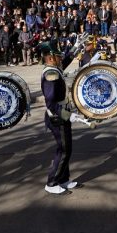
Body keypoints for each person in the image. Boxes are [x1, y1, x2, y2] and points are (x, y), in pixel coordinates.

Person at [39, 39, 81, 195]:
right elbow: (51, 103)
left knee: (66, 149)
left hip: (62, 115)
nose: (61, 58)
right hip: (58, 117)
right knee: (63, 150)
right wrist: (68, 115)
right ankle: (52, 182)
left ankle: (63, 179)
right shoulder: (51, 74)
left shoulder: (54, 69)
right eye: (58, 56)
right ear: (51, 58)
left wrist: (75, 47)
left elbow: (65, 61)